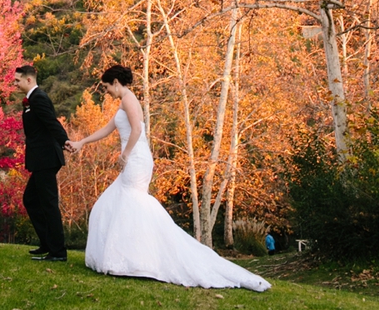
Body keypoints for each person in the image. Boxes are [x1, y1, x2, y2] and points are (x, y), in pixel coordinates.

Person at [65, 64, 270, 291]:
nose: (106, 92)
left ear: (115, 82)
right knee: (111, 206)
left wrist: (125, 155)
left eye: (106, 87)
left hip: (136, 160)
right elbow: (107, 129)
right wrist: (81, 142)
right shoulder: (124, 103)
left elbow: (136, 131)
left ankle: (135, 260)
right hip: (135, 158)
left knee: (130, 204)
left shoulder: (128, 100)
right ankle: (130, 259)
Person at [14, 64, 69, 262]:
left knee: (48, 204)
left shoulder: (39, 98)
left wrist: (65, 141)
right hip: (40, 159)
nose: (15, 83)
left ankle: (58, 252)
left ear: (29, 80)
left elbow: (51, 122)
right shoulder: (31, 100)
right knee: (31, 199)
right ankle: (48, 244)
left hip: (46, 158)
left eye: (17, 80)